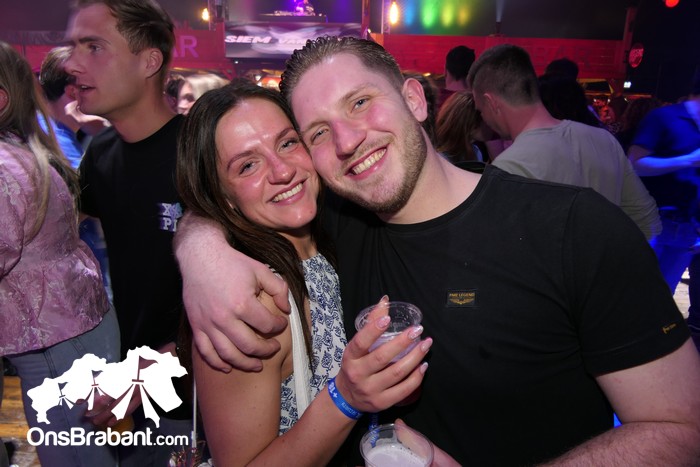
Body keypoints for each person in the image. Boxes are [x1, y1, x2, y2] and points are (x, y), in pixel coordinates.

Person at [174, 37, 700, 465]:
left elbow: (683, 430)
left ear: (414, 99)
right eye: (317, 133)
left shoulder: (575, 230)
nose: (348, 140)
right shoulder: (334, 225)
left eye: (360, 102)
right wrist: (203, 255)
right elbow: (223, 202)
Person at [176, 81, 429, 465]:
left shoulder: (342, 234)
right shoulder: (250, 302)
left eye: (287, 143)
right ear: (223, 198)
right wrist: (346, 397)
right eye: (247, 165)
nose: (282, 171)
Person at [63, 0, 190, 464]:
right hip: (132, 385)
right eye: (73, 47)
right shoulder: (101, 152)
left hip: (202, 390)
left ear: (149, 61)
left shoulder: (201, 153)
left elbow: (259, 288)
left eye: (93, 47)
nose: (72, 64)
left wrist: (157, 366)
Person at [0, 40, 120, 467]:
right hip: (69, 328)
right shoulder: (22, 152)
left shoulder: (4, 164)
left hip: (51, 337)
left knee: (74, 458)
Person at [468, 44, 661, 242]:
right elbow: (647, 223)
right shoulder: (604, 140)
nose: (483, 118)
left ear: (491, 102)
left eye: (480, 110)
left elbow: (497, 248)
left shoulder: (509, 167)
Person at [628, 73, 700, 337]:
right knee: (635, 293)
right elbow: (635, 163)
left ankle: (645, 346)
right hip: (654, 222)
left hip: (689, 227)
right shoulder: (664, 118)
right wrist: (688, 160)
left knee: (662, 297)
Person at [39, 45, 112, 300]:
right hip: (70, 290)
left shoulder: (43, 129)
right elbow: (106, 200)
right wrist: (110, 135)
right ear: (74, 91)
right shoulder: (57, 146)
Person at [435, 90, 487, 164]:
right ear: (472, 125)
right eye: (485, 119)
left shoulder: (476, 151)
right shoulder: (440, 158)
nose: (490, 123)